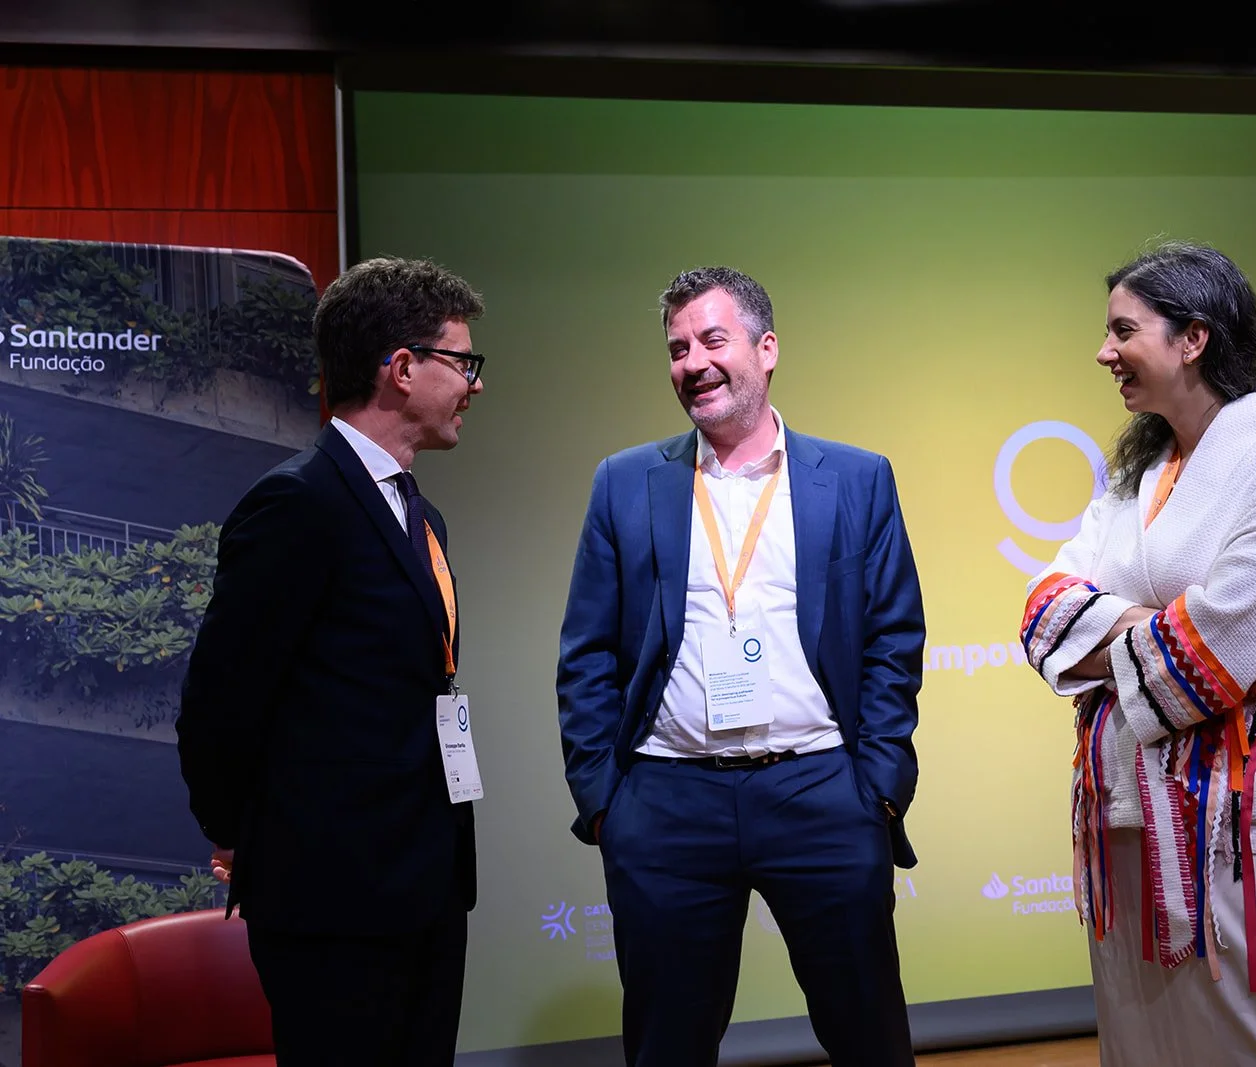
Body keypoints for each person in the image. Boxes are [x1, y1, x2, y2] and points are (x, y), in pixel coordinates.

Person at [557, 265, 923, 1066]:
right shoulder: (626, 482)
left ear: (766, 348)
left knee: (870, 1038)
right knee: (667, 1046)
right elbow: (585, 652)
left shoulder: (856, 478)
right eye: (677, 347)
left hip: (820, 792)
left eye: (712, 340)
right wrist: (606, 802)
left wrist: (878, 790)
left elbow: (894, 636)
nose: (693, 362)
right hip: (666, 802)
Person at [1019, 242, 1256, 1065]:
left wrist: (1119, 625)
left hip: (1242, 820)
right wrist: (1162, 620)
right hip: (1123, 817)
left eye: (1123, 330)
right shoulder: (1133, 475)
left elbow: (1211, 651)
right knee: (1142, 1049)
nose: (1104, 352)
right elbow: (1042, 611)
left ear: (1192, 337)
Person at [176, 257, 487, 1067]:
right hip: (330, 897)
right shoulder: (299, 502)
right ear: (403, 368)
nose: (474, 384)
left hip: (423, 883)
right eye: (462, 361)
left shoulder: (422, 513)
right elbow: (219, 702)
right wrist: (244, 837)